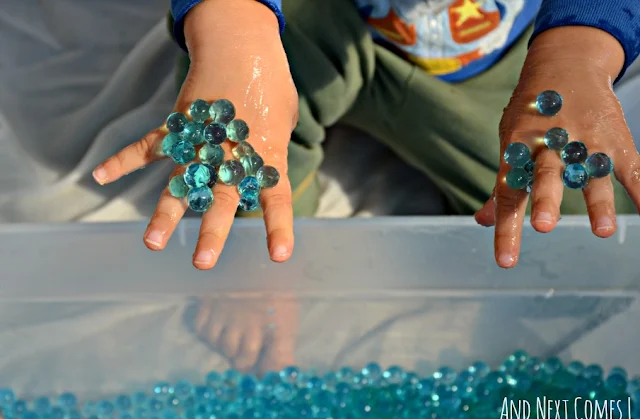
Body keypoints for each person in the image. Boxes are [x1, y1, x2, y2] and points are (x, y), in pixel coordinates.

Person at [92, 0, 640, 270]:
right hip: (320, 19)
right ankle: (264, 236)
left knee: (572, 217)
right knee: (238, 129)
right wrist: (232, 25)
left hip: (505, 62)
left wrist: (580, 47)